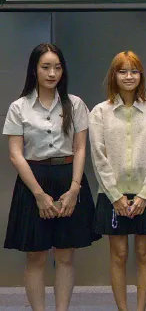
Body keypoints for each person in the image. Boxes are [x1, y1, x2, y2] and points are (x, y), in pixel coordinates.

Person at [2, 43, 99, 311]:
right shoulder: (19, 107)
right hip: (33, 181)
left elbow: (80, 148)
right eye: (45, 67)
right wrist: (39, 194)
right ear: (34, 70)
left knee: (66, 255)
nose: (52, 73)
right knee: (36, 257)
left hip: (69, 177)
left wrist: (75, 188)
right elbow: (15, 154)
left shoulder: (75, 104)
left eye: (57, 67)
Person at [89, 51, 146, 311]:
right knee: (119, 254)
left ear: (141, 75)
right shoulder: (100, 112)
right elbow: (98, 156)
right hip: (112, 195)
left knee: (144, 254)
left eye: (134, 71)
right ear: (113, 76)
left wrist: (145, 194)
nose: (128, 76)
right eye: (122, 71)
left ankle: (141, 308)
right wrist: (115, 196)